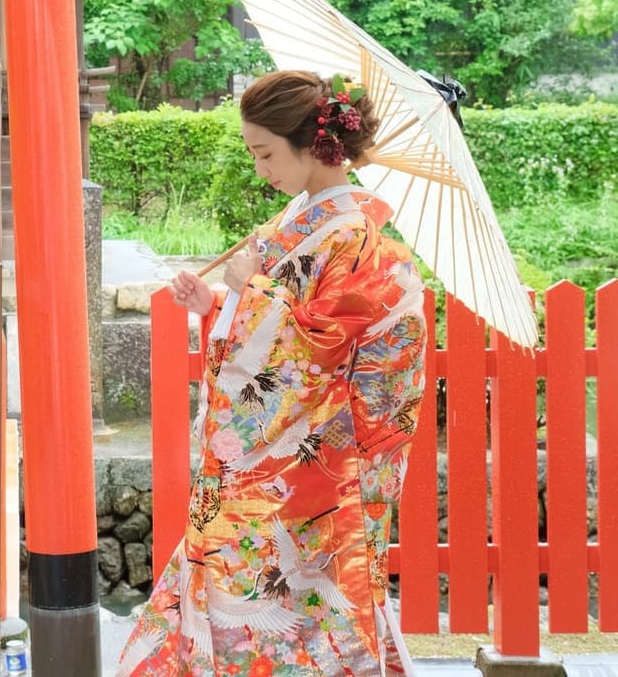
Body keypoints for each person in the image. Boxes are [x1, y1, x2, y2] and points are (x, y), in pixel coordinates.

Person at [118, 70, 428, 677]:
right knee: (245, 583)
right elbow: (282, 334)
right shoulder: (303, 219)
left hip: (313, 466)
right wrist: (216, 306)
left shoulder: (357, 239)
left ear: (313, 146)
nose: (260, 168)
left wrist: (254, 292)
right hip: (271, 459)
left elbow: (321, 354)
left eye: (264, 152)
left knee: (283, 594)